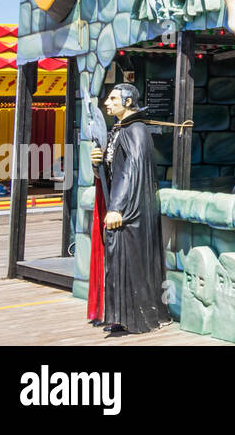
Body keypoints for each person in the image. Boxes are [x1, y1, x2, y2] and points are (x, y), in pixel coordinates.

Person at [89, 83, 170, 333]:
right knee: (118, 261)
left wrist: (117, 207)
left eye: (113, 98)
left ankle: (134, 317)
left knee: (129, 262)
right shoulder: (120, 129)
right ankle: (120, 315)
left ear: (127, 102)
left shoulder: (136, 130)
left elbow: (131, 171)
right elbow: (115, 170)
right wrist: (98, 164)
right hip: (121, 206)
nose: (107, 102)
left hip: (129, 211)